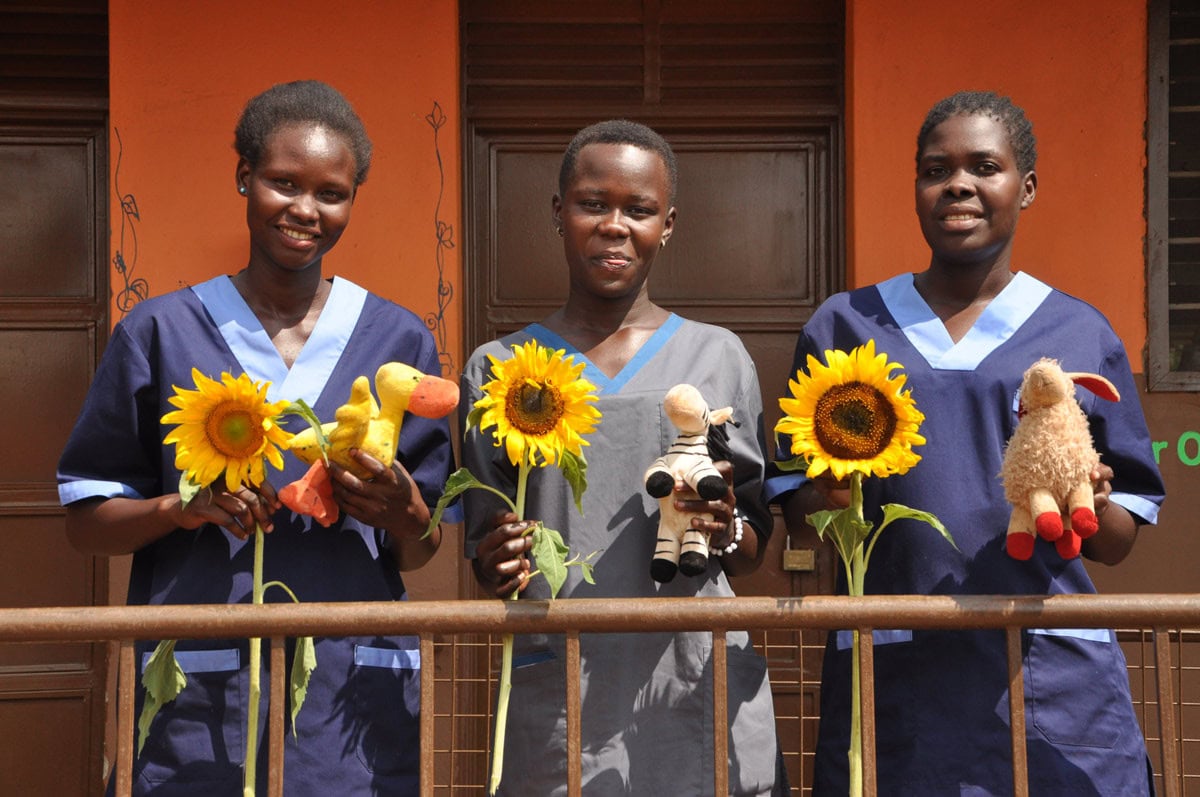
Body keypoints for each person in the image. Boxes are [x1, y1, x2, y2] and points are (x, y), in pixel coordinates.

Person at [57, 80, 454, 795]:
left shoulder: (398, 340)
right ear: (243, 175)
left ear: (353, 200)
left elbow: (421, 549)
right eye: (282, 183)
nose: (305, 209)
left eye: (331, 193)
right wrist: (178, 510)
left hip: (349, 693)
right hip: (201, 698)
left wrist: (402, 512)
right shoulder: (158, 332)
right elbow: (87, 523)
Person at [767, 90, 1166, 794]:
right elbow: (802, 520)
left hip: (1049, 674)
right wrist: (828, 484)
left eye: (985, 165)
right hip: (892, 672)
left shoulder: (1079, 333)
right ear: (917, 188)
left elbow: (1116, 540)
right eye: (936, 168)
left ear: (1027, 186)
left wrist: (1092, 492)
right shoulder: (845, 326)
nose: (959, 183)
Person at [462, 119, 784, 796]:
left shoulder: (719, 357)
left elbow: (755, 547)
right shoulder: (500, 371)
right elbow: (486, 553)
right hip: (560, 687)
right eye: (592, 204)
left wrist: (724, 526)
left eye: (638, 209)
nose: (614, 225)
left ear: (667, 224)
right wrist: (496, 558)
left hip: (693, 683)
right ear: (558, 213)